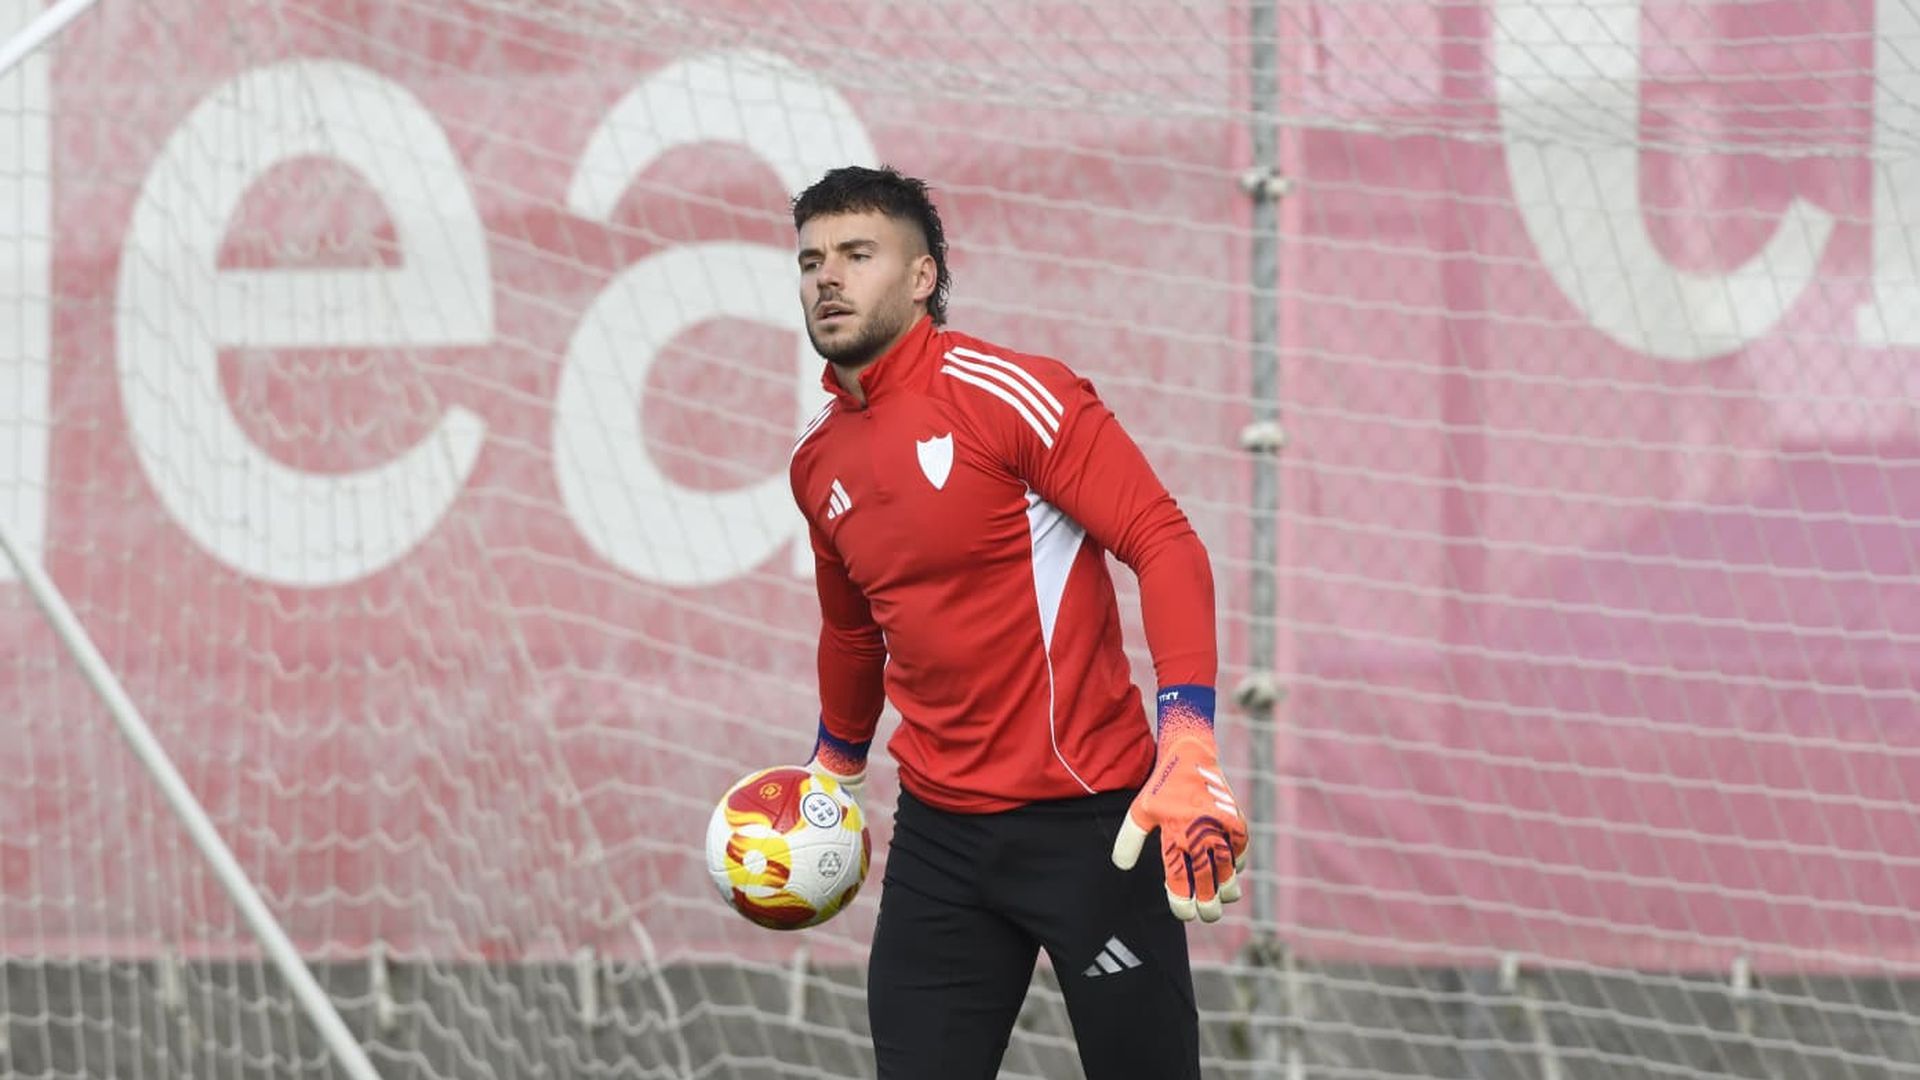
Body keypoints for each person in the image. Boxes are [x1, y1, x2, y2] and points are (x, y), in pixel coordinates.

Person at [787, 165, 1248, 1080]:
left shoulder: (1012, 395)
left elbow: (1165, 543)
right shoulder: (815, 458)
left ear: (922, 278)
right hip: (939, 842)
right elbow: (853, 635)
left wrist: (1187, 741)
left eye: (856, 254)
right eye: (810, 261)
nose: (826, 278)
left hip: (1093, 829)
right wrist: (835, 769)